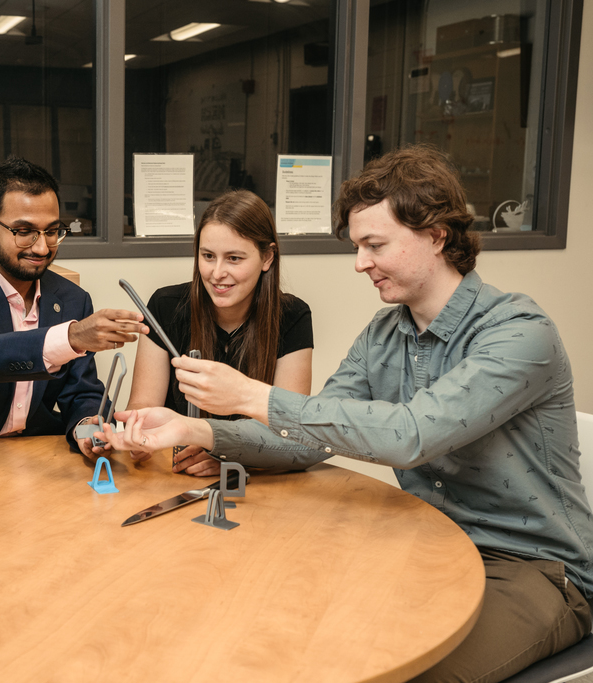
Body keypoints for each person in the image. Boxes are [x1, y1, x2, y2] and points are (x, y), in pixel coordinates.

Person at [100, 145, 593, 682]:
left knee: (402, 672)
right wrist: (193, 427)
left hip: (531, 569)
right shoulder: (385, 334)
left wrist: (249, 397)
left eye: (374, 245)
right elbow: (305, 439)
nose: (360, 263)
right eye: (358, 246)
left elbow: (413, 435)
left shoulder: (519, 332)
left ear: (436, 235)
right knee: (290, 627)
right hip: (428, 543)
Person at [0, 156, 148, 457]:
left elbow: (82, 392)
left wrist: (90, 430)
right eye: (24, 232)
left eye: (51, 231)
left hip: (36, 452)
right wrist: (70, 338)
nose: (42, 247)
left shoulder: (72, 298)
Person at [126, 190, 312, 477]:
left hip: (258, 484)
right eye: (208, 256)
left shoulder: (292, 316)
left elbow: (289, 427)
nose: (217, 273)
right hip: (173, 473)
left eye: (234, 258)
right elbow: (142, 406)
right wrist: (138, 435)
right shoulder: (165, 307)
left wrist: (236, 456)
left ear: (267, 257)